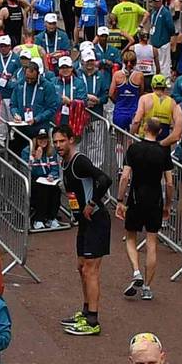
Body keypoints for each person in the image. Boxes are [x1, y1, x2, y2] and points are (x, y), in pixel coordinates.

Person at [57, 124, 113, 337]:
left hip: (96, 219)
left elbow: (104, 179)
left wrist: (91, 203)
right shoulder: (65, 163)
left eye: (62, 141)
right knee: (81, 266)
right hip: (84, 222)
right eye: (56, 142)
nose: (58, 145)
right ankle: (86, 309)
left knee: (91, 269)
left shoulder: (80, 161)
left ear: (71, 140)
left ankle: (93, 320)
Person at [117, 119, 171, 302]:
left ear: (145, 128)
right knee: (151, 243)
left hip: (136, 197)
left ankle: (136, 271)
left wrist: (119, 200)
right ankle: (147, 287)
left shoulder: (134, 149)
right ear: (160, 131)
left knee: (131, 237)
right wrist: (168, 205)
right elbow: (169, 182)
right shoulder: (164, 151)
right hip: (155, 199)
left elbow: (125, 177)